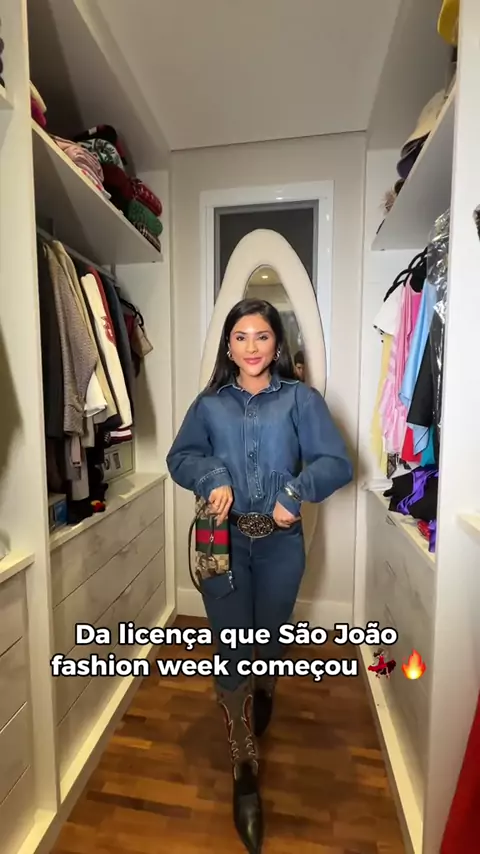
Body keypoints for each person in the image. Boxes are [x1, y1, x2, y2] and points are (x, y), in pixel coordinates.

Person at [166, 298, 353, 853]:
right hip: (221, 543)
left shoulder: (300, 400)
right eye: (241, 337)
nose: (251, 347)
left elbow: (336, 462)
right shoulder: (209, 405)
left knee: (268, 638)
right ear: (229, 346)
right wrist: (211, 474)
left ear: (277, 345)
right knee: (232, 646)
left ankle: (265, 684)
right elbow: (180, 457)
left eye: (262, 336)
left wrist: (296, 491)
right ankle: (243, 768)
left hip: (279, 547)